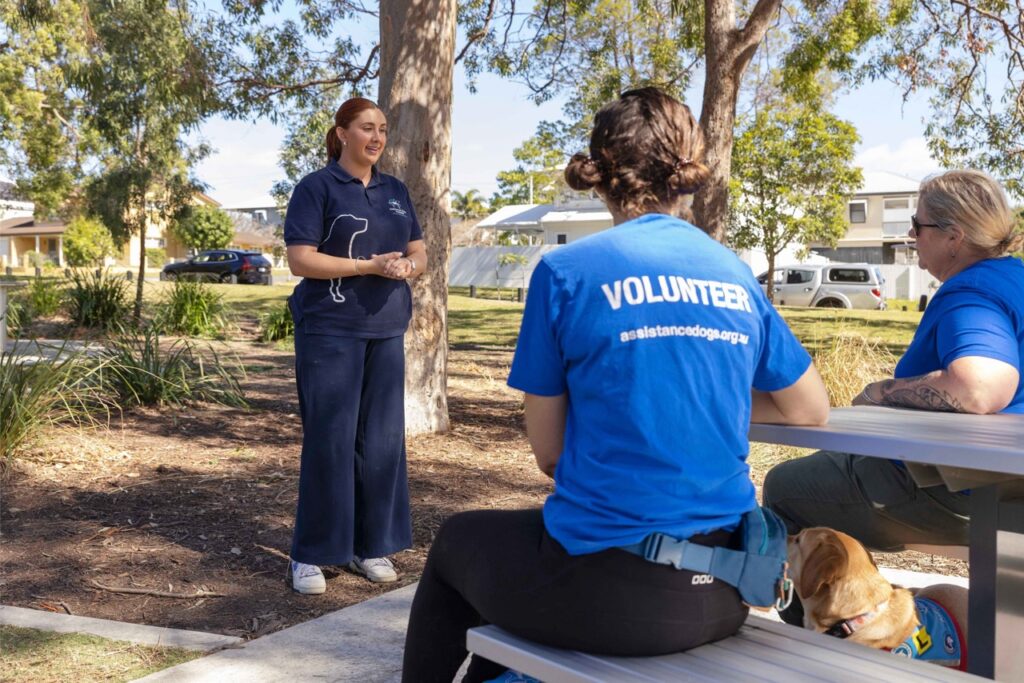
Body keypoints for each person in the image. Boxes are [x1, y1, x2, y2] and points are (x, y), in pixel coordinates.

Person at [400, 87, 830, 682]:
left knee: (455, 544)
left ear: (599, 171)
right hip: (725, 595)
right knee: (505, 616)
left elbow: (549, 455)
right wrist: (710, 395)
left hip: (614, 596)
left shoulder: (567, 272)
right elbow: (809, 410)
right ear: (685, 171)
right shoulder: (733, 272)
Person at [764, 169, 1024, 557]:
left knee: (786, 486)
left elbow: (979, 387)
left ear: (954, 237)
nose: (910, 236)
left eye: (917, 226)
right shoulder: (1014, 276)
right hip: (1002, 480)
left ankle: (832, 617)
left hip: (970, 491)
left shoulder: (971, 291)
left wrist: (878, 392)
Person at [283, 97, 426, 594]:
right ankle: (311, 554)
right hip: (329, 331)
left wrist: (409, 266)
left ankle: (372, 546)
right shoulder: (316, 187)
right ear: (341, 132)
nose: (377, 137)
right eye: (367, 127)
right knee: (331, 440)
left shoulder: (394, 190)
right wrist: (366, 266)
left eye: (383, 129)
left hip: (386, 328)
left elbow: (419, 250)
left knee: (382, 443)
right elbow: (300, 260)